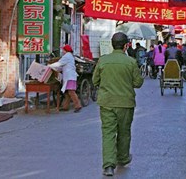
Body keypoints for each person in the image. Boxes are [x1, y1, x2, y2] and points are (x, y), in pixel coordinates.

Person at [92, 32, 144, 177]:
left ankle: (108, 166)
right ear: (126, 45)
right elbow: (138, 83)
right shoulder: (131, 62)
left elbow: (95, 81)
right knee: (124, 132)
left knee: (108, 133)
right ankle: (123, 158)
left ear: (112, 44)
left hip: (107, 102)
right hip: (125, 103)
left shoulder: (103, 61)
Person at [48, 44, 82, 113]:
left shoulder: (67, 56)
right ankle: (65, 106)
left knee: (71, 91)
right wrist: (54, 67)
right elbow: (61, 66)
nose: (62, 51)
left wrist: (50, 66)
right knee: (67, 93)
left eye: (63, 50)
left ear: (65, 50)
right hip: (69, 76)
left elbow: (59, 63)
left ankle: (78, 105)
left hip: (70, 76)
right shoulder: (69, 56)